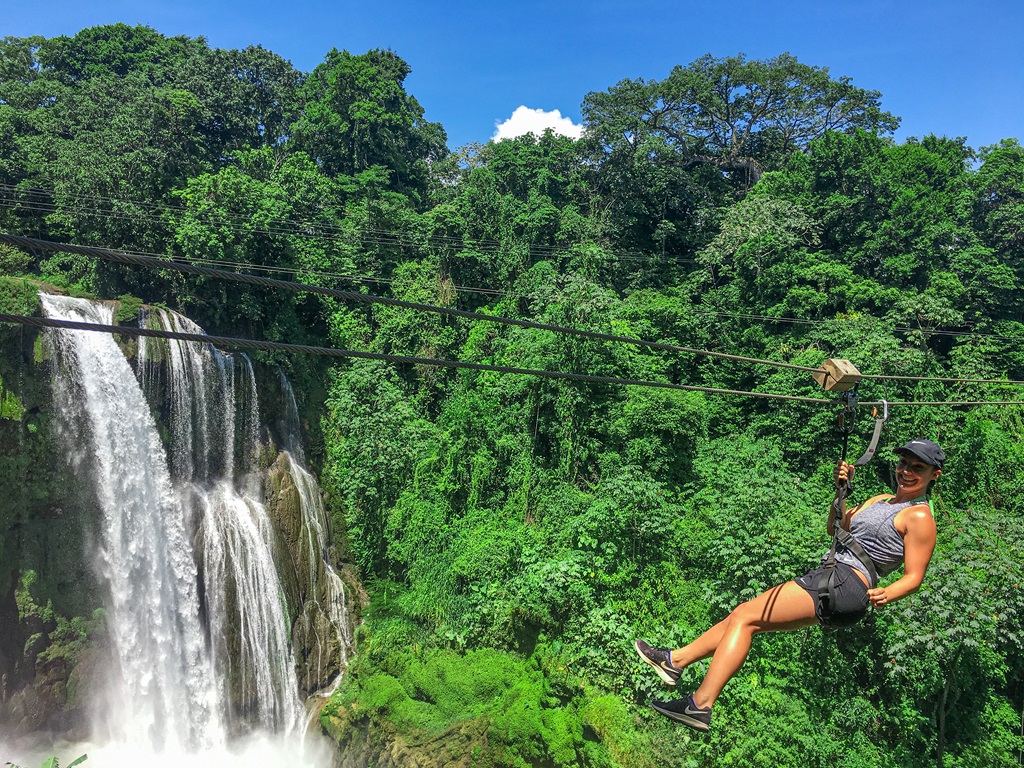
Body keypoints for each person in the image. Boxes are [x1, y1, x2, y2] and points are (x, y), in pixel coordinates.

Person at [635, 439, 944, 732]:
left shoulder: (919, 516)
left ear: (934, 474)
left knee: (745, 619)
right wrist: (842, 492)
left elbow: (914, 577)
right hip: (834, 576)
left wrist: (888, 593)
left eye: (918, 468)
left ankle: (700, 704)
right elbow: (833, 529)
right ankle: (675, 661)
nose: (906, 472)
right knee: (741, 617)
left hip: (847, 583)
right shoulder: (879, 500)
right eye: (904, 463)